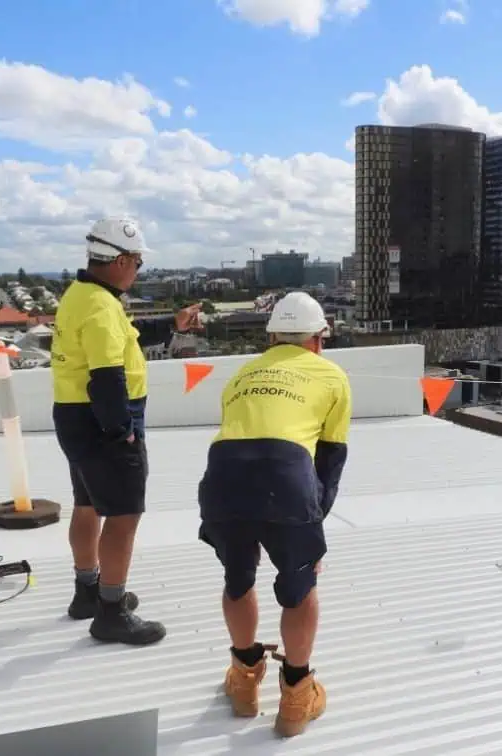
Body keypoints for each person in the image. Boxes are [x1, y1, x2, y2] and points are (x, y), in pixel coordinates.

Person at [197, 291, 352, 737]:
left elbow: (240, 435)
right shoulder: (331, 375)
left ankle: (244, 685)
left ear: (271, 338)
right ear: (319, 338)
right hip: (286, 476)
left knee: (238, 578)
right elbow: (329, 461)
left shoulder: (241, 374)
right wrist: (312, 527)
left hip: (223, 476)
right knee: (300, 589)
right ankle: (296, 699)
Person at [51, 216, 202, 646]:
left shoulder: (82, 296)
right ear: (118, 260)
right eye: (137, 262)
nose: (139, 270)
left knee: (86, 504)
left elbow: (126, 339)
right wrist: (122, 433)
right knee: (123, 515)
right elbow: (106, 376)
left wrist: (173, 324)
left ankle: (88, 593)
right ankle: (111, 613)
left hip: (74, 416)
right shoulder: (100, 307)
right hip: (105, 420)